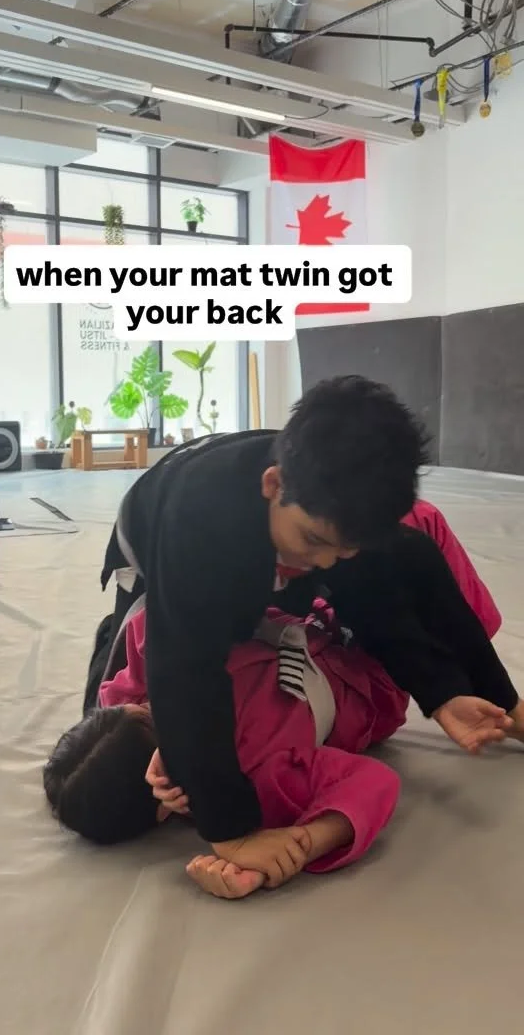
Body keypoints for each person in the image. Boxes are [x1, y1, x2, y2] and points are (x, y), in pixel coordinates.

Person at [84, 376, 522, 884]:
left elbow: (384, 602)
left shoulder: (328, 518)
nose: (327, 560)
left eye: (342, 549)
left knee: (397, 559)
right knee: (114, 723)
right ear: (274, 485)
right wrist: (231, 832)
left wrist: (461, 695)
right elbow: (184, 671)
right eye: (315, 541)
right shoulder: (200, 527)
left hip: (269, 547)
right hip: (158, 546)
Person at [46, 605, 410, 898]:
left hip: (307, 604)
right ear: (166, 800)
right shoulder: (260, 779)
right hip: (369, 668)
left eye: (148, 707)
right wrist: (299, 846)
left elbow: (160, 614)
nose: (168, 708)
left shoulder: (149, 675)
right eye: (161, 724)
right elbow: (374, 782)